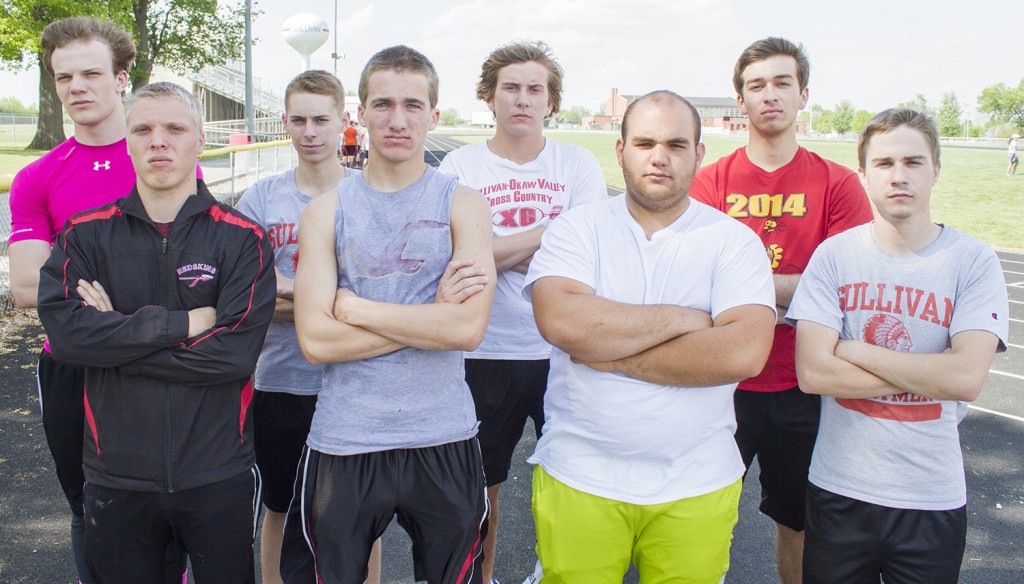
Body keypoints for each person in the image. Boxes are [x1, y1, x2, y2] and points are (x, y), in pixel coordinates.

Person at [524, 91, 776, 583]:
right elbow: (562, 323)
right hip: (581, 473)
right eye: (644, 142)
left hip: (697, 480)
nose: (659, 157)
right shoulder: (577, 229)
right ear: (620, 151)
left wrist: (609, 355)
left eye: (677, 144)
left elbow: (743, 352)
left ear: (699, 155)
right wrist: (689, 319)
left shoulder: (734, 241)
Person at [36, 81, 275, 583]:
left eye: (174, 128)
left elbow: (231, 357)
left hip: (217, 472)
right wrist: (184, 324)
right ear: (127, 140)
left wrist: (113, 339)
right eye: (143, 129)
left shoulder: (242, 237)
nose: (158, 141)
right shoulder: (84, 235)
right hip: (117, 475)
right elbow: (70, 341)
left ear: (200, 139)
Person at [291, 45, 496, 584]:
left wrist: (355, 308)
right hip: (346, 439)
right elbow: (316, 341)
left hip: (443, 436)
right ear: (360, 113)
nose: (397, 120)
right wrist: (431, 318)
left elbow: (466, 329)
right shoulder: (326, 212)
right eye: (383, 104)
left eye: (413, 105)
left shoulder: (463, 204)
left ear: (434, 114)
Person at [786, 108, 1009, 583]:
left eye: (913, 162)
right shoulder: (835, 256)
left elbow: (966, 378)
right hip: (839, 489)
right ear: (863, 174)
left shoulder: (972, 262)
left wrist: (855, 350)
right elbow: (814, 373)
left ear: (936, 171)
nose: (899, 176)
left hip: (931, 496)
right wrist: (933, 369)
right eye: (884, 164)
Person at [7, 17, 189, 584]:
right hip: (72, 367)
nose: (76, 87)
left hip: (161, 363)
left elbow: (190, 277)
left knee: (173, 505)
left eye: (90, 73)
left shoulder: (162, 154)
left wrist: (96, 298)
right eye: (64, 77)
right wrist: (121, 305)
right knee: (89, 509)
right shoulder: (38, 177)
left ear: (120, 78)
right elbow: (27, 287)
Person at [689, 36, 872, 584]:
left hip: (805, 383)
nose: (769, 95)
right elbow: (693, 281)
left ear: (803, 94)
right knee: (698, 513)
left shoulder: (838, 184)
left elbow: (842, 287)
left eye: (781, 83)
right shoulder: (711, 181)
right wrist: (797, 287)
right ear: (739, 101)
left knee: (801, 524)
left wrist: (742, 288)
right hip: (724, 380)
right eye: (755, 85)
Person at [437, 40, 606, 584]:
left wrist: (494, 248)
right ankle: (481, 577)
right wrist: (550, 235)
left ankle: (553, 572)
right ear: (489, 96)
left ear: (551, 100)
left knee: (573, 478)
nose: (523, 99)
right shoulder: (462, 164)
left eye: (536, 89)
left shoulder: (576, 163)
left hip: (563, 349)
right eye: (511, 87)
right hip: (486, 347)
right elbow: (461, 258)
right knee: (481, 484)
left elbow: (587, 254)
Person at [234, 70, 385, 584]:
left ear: (343, 120)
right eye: (298, 119)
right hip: (280, 380)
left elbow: (381, 292)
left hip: (353, 380)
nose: (310, 131)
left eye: (321, 119)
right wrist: (332, 299)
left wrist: (288, 293)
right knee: (279, 506)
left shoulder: (369, 195)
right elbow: (246, 291)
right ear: (285, 123)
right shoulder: (261, 199)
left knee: (362, 513)